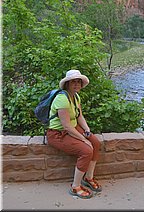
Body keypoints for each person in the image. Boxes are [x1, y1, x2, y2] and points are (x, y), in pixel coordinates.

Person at [46, 69, 102, 199]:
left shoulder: (76, 96)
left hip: (72, 128)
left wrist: (87, 130)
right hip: (58, 133)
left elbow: (79, 116)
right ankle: (75, 186)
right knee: (86, 150)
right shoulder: (62, 99)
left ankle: (88, 177)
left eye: (78, 82)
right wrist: (83, 139)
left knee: (96, 143)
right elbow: (66, 125)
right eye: (73, 82)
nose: (76, 84)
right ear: (67, 84)